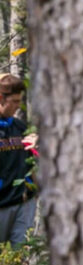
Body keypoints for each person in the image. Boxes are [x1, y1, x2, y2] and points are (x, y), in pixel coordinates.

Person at [0, 74, 36, 248]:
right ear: (1, 98)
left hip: (23, 203)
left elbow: (32, 160)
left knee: (20, 261)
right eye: (14, 101)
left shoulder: (19, 127)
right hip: (1, 204)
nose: (18, 106)